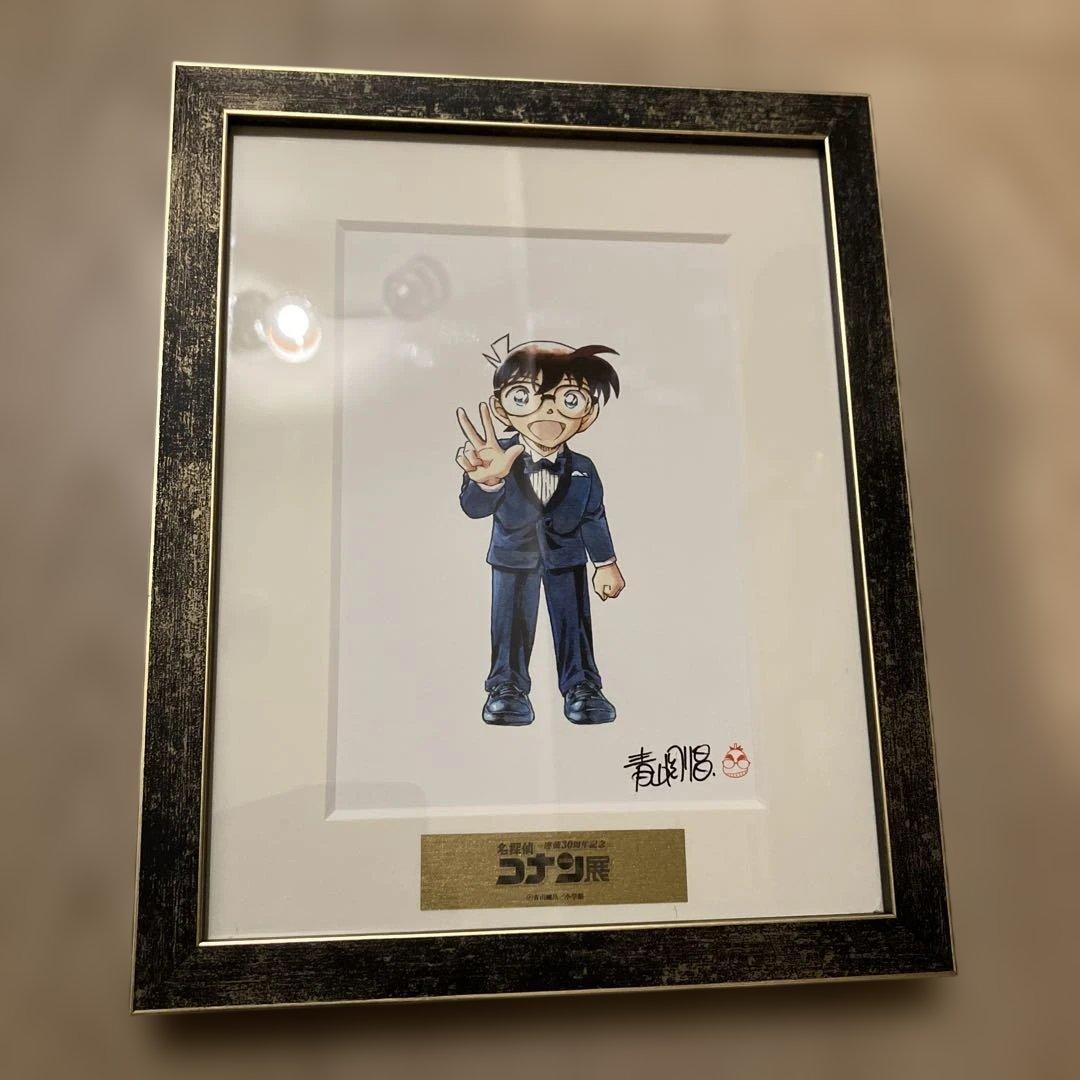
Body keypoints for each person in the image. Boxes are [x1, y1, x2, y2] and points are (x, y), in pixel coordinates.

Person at [455, 336, 626, 726]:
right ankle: (507, 688)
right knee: (510, 623)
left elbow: (593, 516)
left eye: (569, 399)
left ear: (588, 414)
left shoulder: (584, 467)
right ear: (502, 408)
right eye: (525, 397)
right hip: (512, 557)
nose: (547, 409)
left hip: (567, 558)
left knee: (574, 623)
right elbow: (472, 509)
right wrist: (489, 482)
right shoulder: (494, 456)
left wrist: (606, 563)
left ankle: (582, 686)